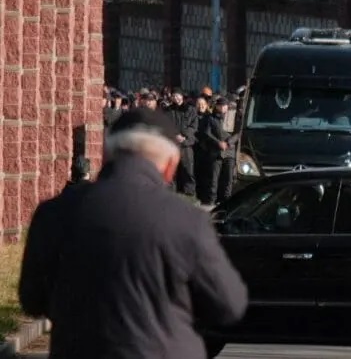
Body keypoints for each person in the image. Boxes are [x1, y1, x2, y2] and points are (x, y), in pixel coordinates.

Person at [19, 108, 248, 359]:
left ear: (106, 155)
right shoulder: (187, 220)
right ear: (171, 166)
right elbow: (228, 305)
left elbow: (32, 299)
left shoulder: (54, 213)